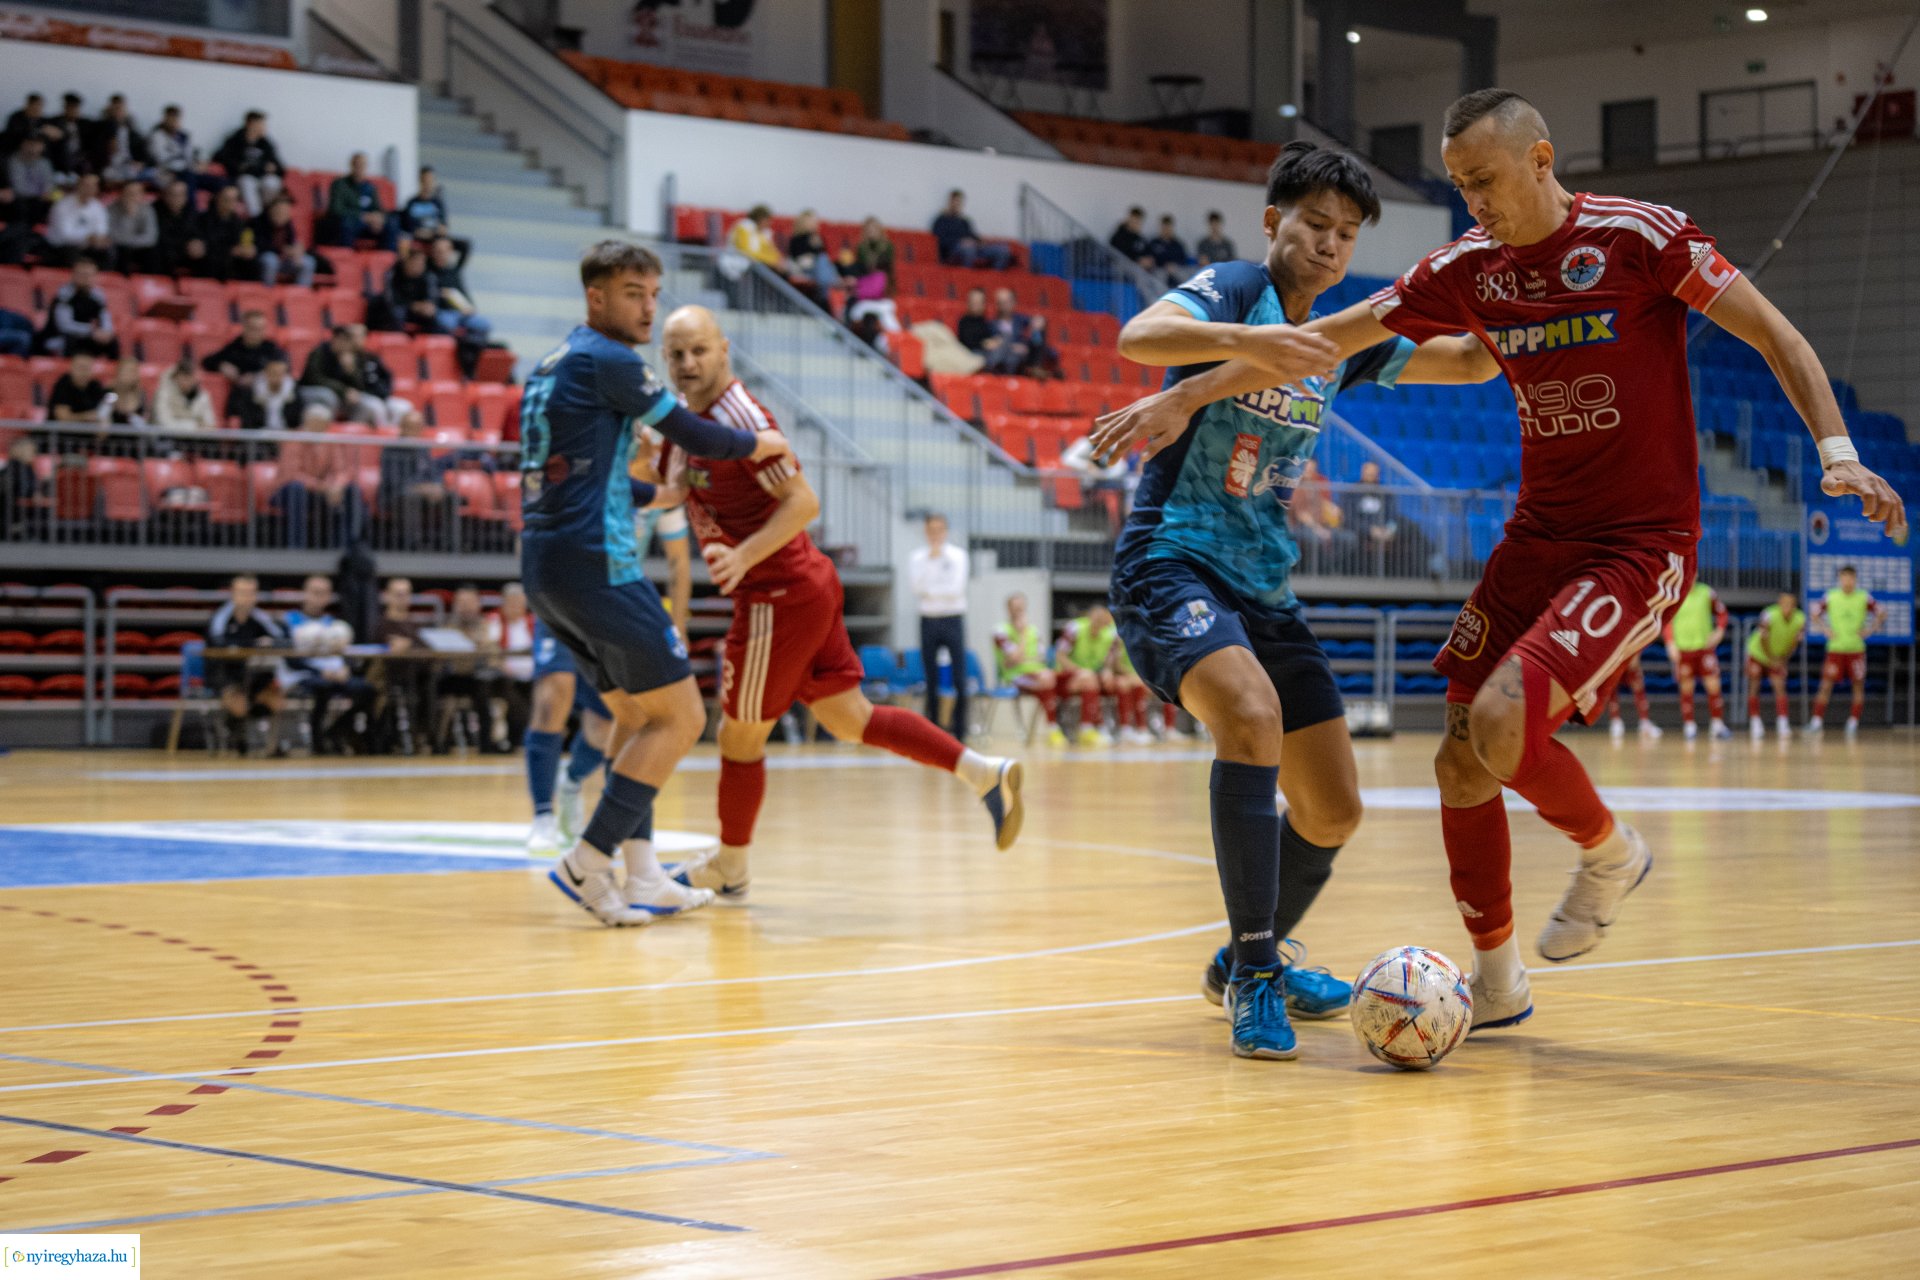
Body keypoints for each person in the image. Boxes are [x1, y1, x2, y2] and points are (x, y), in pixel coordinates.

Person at [1090, 89, 1906, 1042]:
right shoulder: (1411, 272)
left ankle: (1608, 854)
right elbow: (1313, 342)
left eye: (1483, 178)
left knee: (1458, 741)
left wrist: (1837, 453)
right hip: (1490, 540)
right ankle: (1481, 981)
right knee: (1454, 758)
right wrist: (1190, 396)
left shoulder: (1641, 238)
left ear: (1542, 158)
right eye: (1458, 184)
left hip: (1634, 543)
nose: (1471, 198)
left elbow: (1774, 334)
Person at [1086, 139, 1502, 1061]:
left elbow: (1469, 363)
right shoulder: (1237, 288)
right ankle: (1258, 968)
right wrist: (1249, 341)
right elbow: (1138, 337)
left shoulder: (1343, 343)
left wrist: (1531, 297)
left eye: (1348, 234)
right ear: (1275, 222)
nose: (1330, 244)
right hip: (1173, 561)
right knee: (1249, 714)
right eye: (1316, 225)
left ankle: (1242, 962)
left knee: (1333, 812)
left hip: (1267, 587)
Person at [654, 305, 1024, 902]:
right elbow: (678, 488)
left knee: (738, 739)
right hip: (801, 585)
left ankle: (731, 867)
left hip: (777, 592)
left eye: (699, 350)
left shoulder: (742, 417)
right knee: (848, 719)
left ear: (724, 349)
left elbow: (804, 502)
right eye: (676, 354)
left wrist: (744, 555)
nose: (688, 363)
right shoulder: (687, 422)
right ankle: (983, 772)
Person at [521, 239, 794, 926]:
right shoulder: (609, 360)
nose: (648, 308)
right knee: (685, 717)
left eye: (653, 293)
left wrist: (649, 498)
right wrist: (757, 444)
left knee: (639, 716)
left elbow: (572, 475)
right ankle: (589, 860)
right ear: (597, 298)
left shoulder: (554, 362)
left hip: (546, 565)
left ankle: (641, 872)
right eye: (633, 294)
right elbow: (694, 433)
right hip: (597, 566)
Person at [524, 614, 616, 855]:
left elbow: (678, 573)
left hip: (606, 608)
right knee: (550, 701)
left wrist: (677, 622)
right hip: (557, 599)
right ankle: (543, 815)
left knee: (603, 729)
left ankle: (571, 781)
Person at [284, 574, 376, 754]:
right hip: (305, 675)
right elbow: (291, 659)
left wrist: (345, 668)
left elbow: (345, 655)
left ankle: (336, 730)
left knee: (368, 690)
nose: (319, 598)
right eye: (315, 592)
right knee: (323, 687)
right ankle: (318, 742)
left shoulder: (335, 625)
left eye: (323, 593)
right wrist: (320, 671)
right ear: (305, 593)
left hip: (335, 674)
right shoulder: (290, 621)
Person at [205, 573, 289, 754]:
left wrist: (270, 643)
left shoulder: (259, 617)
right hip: (224, 673)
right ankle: (235, 734)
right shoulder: (221, 617)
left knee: (276, 699)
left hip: (254, 673)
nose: (247, 598)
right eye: (242, 592)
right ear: (233, 594)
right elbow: (219, 643)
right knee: (239, 703)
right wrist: (255, 644)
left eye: (251, 593)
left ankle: (270, 745)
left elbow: (284, 640)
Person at [908, 513, 971, 738]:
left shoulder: (958, 556)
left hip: (953, 618)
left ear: (945, 531)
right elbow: (916, 588)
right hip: (928, 619)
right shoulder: (917, 558)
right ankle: (933, 731)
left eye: (939, 529)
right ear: (926, 531)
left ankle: (961, 731)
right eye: (931, 530)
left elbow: (956, 589)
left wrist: (932, 591)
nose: (935, 534)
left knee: (959, 677)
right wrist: (932, 564)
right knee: (930, 677)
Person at [1809, 566, 1883, 734]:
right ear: (1840, 579)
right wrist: (1825, 629)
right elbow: (1814, 613)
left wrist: (1870, 629)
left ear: (1855, 579)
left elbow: (1881, 612)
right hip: (1835, 649)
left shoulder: (1864, 597)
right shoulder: (1831, 596)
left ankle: (1853, 722)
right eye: (1844, 577)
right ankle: (1816, 721)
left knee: (1858, 687)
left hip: (1856, 650)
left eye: (1851, 578)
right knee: (1826, 685)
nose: (1848, 581)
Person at [1663, 579, 1730, 740]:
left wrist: (1719, 631)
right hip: (1683, 649)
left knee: (1713, 685)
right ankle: (1689, 725)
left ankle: (1717, 724)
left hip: (1704, 648)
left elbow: (1722, 612)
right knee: (1686, 687)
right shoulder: (1675, 594)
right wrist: (1670, 642)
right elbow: (1666, 620)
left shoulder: (1707, 592)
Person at [993, 592, 1062, 744]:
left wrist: (1020, 657)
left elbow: (1042, 657)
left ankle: (1069, 728)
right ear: (1008, 609)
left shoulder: (1034, 631)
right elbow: (1014, 658)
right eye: (1015, 608)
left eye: (1021, 608)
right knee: (1047, 679)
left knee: (1066, 680)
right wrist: (1023, 634)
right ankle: (1053, 728)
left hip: (1038, 673)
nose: (1019, 612)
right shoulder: (1001, 631)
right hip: (1014, 676)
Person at [1053, 604, 1118, 746]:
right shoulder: (1074, 629)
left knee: (1115, 682)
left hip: (1090, 677)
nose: (1099, 624)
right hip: (1065, 677)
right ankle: (1088, 728)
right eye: (1097, 620)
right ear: (1089, 617)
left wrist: (1108, 672)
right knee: (1088, 678)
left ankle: (1115, 728)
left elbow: (1108, 662)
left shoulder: (1108, 634)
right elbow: (1060, 656)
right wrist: (1079, 671)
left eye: (1103, 622)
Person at [1745, 590, 1805, 738]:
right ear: (1779, 603)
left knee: (1779, 686)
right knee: (1754, 684)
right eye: (1784, 603)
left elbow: (1794, 643)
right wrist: (1771, 658)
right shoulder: (1768, 614)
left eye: (1791, 604)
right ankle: (1755, 722)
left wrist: (1783, 660)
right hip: (1758, 653)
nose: (1787, 606)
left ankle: (1783, 723)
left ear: (1795, 605)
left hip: (1778, 657)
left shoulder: (1800, 619)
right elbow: (1763, 638)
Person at [34, 258, 118, 358]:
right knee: (70, 339)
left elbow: (105, 316)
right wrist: (91, 332)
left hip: (87, 337)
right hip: (60, 337)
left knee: (112, 341)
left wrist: (106, 332)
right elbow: (65, 326)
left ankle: (116, 372)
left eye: (89, 275)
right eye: (82, 274)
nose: (86, 278)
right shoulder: (64, 295)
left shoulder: (97, 295)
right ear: (73, 275)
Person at [212, 110, 283, 215]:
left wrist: (273, 168)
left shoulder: (265, 143)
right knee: (247, 182)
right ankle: (256, 218)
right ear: (251, 124)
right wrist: (241, 167)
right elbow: (220, 157)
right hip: (243, 177)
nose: (264, 127)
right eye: (261, 124)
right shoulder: (235, 139)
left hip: (262, 178)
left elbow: (279, 166)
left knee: (272, 182)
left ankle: (266, 215)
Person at [427, 235, 491, 343]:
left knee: (483, 324)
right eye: (438, 251)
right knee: (447, 323)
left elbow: (465, 245)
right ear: (432, 252)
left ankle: (472, 350)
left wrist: (440, 235)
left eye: (444, 251)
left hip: (462, 311)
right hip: (443, 311)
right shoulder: (428, 271)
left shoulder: (455, 270)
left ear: (451, 251)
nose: (441, 254)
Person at [45, 173, 113, 266]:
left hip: (88, 245)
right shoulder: (62, 206)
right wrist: (88, 238)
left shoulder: (97, 206)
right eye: (86, 185)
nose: (89, 189)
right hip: (61, 247)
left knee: (109, 251)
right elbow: (65, 235)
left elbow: (101, 229)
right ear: (78, 186)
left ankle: (103, 280)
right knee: (72, 252)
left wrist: (98, 239)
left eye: (93, 186)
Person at [932, 188, 1009, 269]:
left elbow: (972, 235)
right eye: (955, 201)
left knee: (1002, 250)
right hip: (953, 251)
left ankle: (994, 278)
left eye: (960, 202)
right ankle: (967, 278)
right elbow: (940, 240)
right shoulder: (941, 220)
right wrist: (961, 242)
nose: (957, 204)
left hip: (974, 248)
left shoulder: (965, 221)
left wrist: (980, 241)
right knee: (968, 249)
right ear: (950, 202)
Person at [204, 310, 288, 382]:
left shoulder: (270, 348)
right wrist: (221, 365)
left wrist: (258, 377)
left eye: (261, 329)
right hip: (242, 395)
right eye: (253, 329)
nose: (258, 333)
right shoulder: (235, 348)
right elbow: (207, 361)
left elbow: (283, 366)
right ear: (245, 328)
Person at [197, 184, 259, 282]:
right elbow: (204, 244)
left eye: (234, 200)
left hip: (232, 261)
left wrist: (248, 250)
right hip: (210, 259)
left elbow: (244, 242)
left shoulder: (239, 222)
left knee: (253, 262)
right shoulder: (203, 219)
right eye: (226, 199)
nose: (230, 203)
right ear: (217, 198)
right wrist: (231, 250)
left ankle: (247, 294)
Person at [87, 94, 152, 186]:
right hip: (109, 166)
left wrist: (140, 163)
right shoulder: (100, 127)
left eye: (121, 108)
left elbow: (144, 152)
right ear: (109, 109)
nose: (118, 112)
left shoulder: (132, 131)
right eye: (115, 108)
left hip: (128, 165)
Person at [256, 193, 316, 286]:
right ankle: (267, 294)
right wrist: (282, 250)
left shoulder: (287, 224)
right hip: (261, 260)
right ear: (271, 209)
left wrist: (296, 251)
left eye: (286, 211)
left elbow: (292, 242)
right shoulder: (258, 222)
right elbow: (258, 246)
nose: (283, 214)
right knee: (270, 260)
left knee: (308, 262)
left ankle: (299, 297)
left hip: (283, 260)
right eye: (279, 210)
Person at [326, 152, 385, 247]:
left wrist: (378, 218)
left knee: (391, 224)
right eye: (357, 164)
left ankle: (387, 260)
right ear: (351, 166)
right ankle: (345, 257)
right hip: (350, 224)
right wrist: (362, 216)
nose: (360, 168)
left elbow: (378, 209)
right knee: (346, 224)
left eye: (363, 165)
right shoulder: (340, 185)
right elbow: (335, 210)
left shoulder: (370, 187)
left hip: (368, 226)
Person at [230, 357, 303, 432]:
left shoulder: (294, 392)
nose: (277, 377)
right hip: (259, 436)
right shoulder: (252, 393)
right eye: (274, 373)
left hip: (286, 435)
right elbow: (248, 420)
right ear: (265, 373)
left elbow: (297, 420)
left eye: (281, 373)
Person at [153, 177, 208, 276]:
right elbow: (158, 237)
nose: (176, 199)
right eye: (173, 195)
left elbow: (197, 232)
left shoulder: (191, 212)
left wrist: (197, 241)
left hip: (184, 251)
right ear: (165, 195)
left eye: (180, 195)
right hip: (163, 251)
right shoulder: (155, 210)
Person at [1603, 650, 1660, 741]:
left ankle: (1644, 722)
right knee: (1611, 688)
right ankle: (1616, 721)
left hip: (1630, 654)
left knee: (1638, 687)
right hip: (1614, 658)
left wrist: (1635, 655)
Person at [108, 180, 159, 273]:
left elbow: (150, 238)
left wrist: (129, 241)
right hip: (119, 248)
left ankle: (147, 283)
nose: (132, 197)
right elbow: (111, 235)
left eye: (136, 193)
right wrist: (127, 216)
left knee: (153, 253)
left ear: (142, 195)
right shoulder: (112, 209)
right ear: (121, 194)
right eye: (129, 193)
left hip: (139, 248)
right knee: (119, 252)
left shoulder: (148, 210)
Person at [152, 360, 218, 432]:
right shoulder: (163, 393)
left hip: (195, 438)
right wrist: (194, 426)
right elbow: (164, 424)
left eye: (190, 377)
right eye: (184, 377)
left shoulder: (203, 396)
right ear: (176, 377)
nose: (186, 381)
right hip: (167, 437)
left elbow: (210, 425)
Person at [5, 135, 56, 226]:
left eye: (38, 145)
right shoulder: (13, 161)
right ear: (23, 145)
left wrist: (46, 192)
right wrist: (39, 195)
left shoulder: (44, 162)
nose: (34, 148)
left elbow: (49, 183)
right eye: (31, 144)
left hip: (40, 199)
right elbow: (18, 187)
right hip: (21, 199)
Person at [47, 351, 109, 423]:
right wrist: (86, 417)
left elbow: (103, 413)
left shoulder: (95, 386)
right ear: (72, 367)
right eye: (80, 368)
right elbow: (62, 418)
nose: (83, 372)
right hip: (62, 433)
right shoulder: (63, 384)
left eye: (87, 368)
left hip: (88, 432)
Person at [1146, 214, 1191, 286]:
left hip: (1175, 269)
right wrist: (1163, 265)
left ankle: (1184, 295)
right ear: (1161, 227)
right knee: (1160, 274)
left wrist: (1174, 265)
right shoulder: (1154, 243)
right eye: (1164, 227)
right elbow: (1150, 259)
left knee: (1185, 273)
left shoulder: (1178, 244)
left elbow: (1184, 259)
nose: (1166, 230)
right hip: (1159, 269)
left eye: (1168, 227)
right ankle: (1161, 296)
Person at [104, 356, 149, 427]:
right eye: (128, 371)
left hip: (135, 436)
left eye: (134, 371)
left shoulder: (140, 395)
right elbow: (104, 412)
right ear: (119, 373)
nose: (132, 375)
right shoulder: (112, 394)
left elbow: (145, 420)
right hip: (114, 435)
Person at [1109, 206, 1155, 273]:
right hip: (1121, 269)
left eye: (1138, 221)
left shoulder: (1141, 239)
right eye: (1134, 220)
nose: (1136, 224)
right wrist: (1137, 261)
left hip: (1140, 271)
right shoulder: (1118, 236)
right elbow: (1116, 254)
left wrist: (1149, 261)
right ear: (1129, 219)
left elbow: (1148, 253)